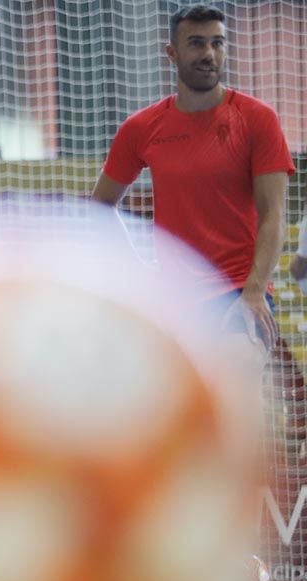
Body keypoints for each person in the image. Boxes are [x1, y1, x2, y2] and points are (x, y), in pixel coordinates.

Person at [91, 3, 294, 345]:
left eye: (218, 43)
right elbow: (99, 206)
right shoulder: (141, 128)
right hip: (173, 301)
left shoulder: (257, 119)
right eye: (197, 43)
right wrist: (138, 269)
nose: (209, 54)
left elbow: (273, 214)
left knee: (237, 379)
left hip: (239, 294)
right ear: (172, 52)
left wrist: (255, 292)